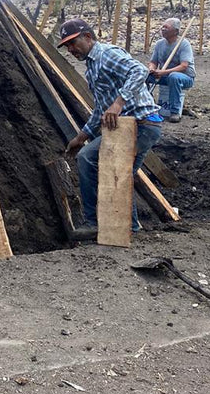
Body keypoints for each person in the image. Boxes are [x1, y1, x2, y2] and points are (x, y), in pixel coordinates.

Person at [60, 18, 162, 241]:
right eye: (67, 46)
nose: (71, 49)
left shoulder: (107, 54)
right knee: (120, 176)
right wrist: (81, 136)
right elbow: (100, 110)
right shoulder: (91, 68)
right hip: (133, 126)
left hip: (140, 123)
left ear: (88, 37)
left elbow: (139, 71)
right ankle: (129, 228)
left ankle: (93, 223)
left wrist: (119, 103)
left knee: (88, 158)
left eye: (73, 43)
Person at [146, 18, 195, 122]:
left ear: (176, 31)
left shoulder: (184, 44)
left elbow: (184, 66)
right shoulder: (159, 44)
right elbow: (153, 62)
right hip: (164, 75)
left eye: (166, 27)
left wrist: (163, 72)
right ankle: (148, 105)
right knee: (144, 75)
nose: (163, 29)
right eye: (162, 27)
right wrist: (152, 69)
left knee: (174, 77)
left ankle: (175, 112)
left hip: (185, 77)